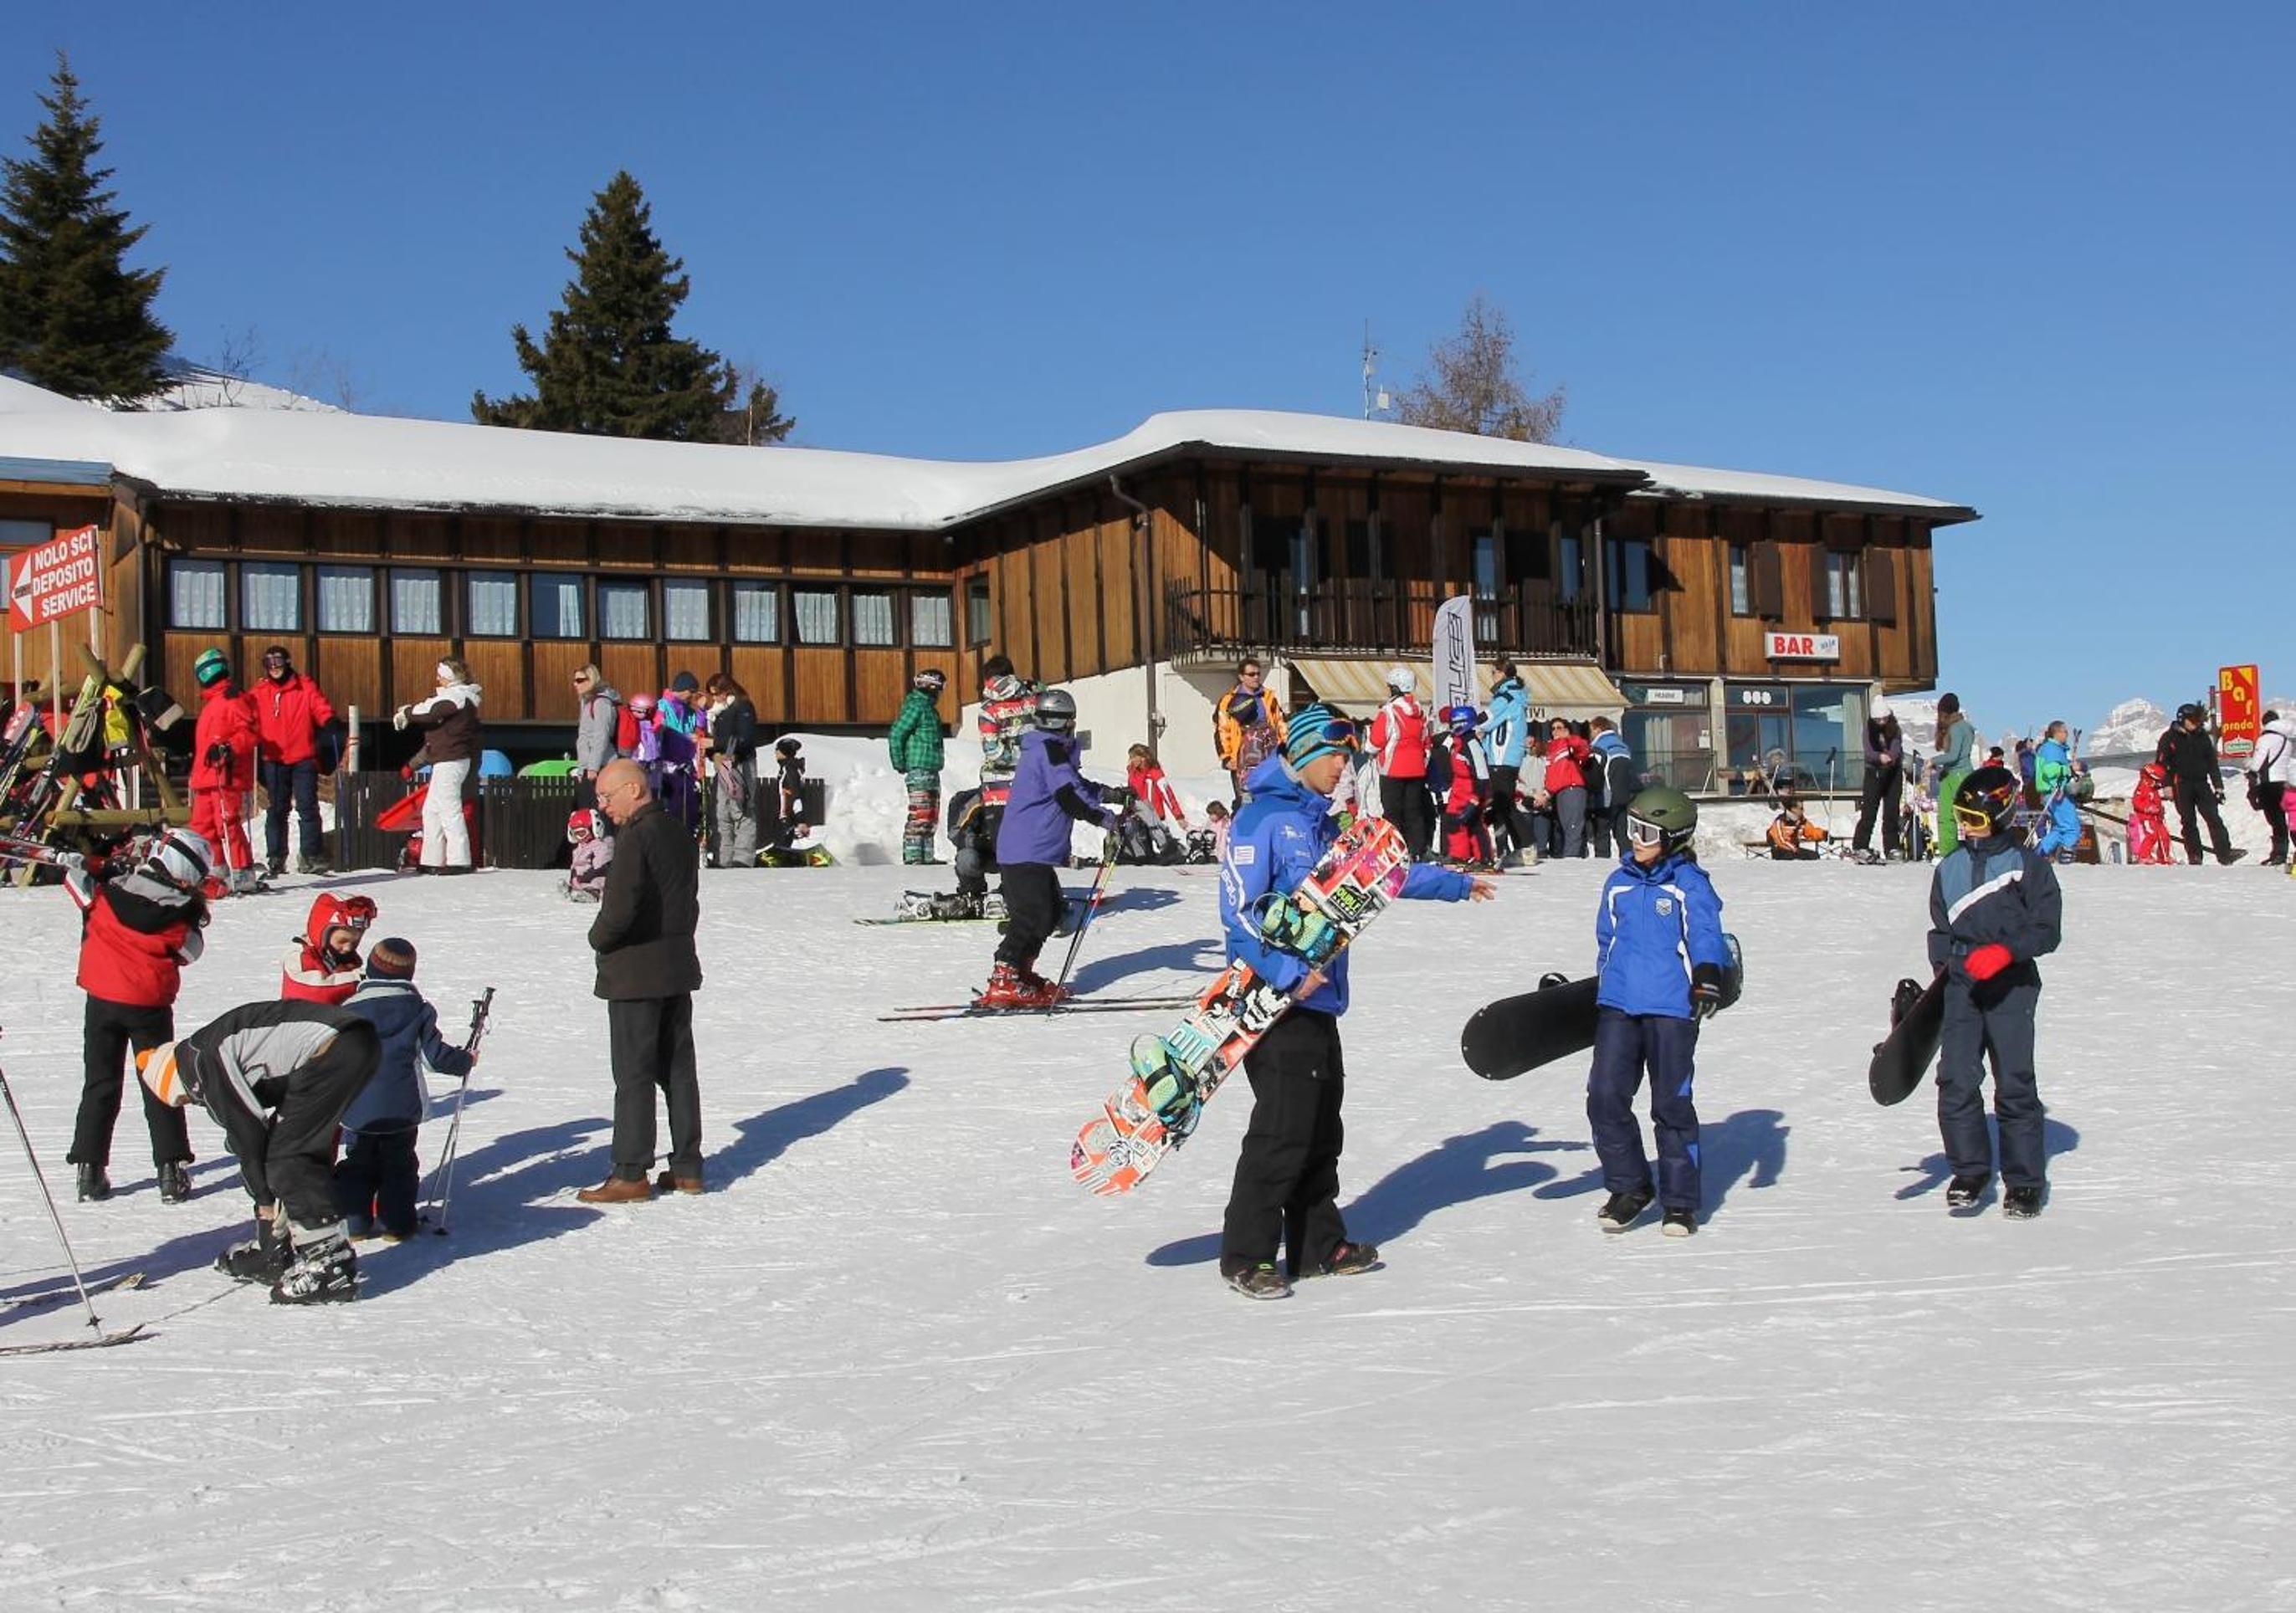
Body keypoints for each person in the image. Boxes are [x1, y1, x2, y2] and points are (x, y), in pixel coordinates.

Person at [1217, 704, 1495, 1298]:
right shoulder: (1261, 820)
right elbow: (1239, 918)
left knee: (1322, 1129)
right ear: (1306, 754)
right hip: (1275, 1005)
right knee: (1282, 1131)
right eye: (1335, 757)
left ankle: (1318, 1245)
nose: (1342, 768)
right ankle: (1247, 1255)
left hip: (1320, 1003)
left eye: (1346, 758)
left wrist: (1455, 884)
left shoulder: (1322, 823)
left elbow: (1380, 874)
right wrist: (1288, 973)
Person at [136, 998, 383, 1304]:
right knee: (291, 1149)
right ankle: (275, 1253)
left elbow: (247, 1133)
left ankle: (330, 1266)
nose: (196, 1103)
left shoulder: (202, 1061)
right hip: (350, 1042)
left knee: (288, 1157)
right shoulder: (205, 1048)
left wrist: (265, 1200)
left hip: (336, 1047)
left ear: (177, 1083)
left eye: (185, 1100)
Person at [1587, 786, 1733, 1237]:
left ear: (1674, 837)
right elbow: (1607, 941)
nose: (1636, 840)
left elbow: (1705, 933)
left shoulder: (1689, 885)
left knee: (1671, 1104)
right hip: (1619, 1006)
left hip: (1672, 1009)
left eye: (1646, 833)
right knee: (1604, 1098)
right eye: (1632, 828)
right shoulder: (1619, 883)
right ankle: (1630, 1187)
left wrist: (1707, 975)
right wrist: (1598, 988)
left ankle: (1680, 1201)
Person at [1925, 766, 2063, 1219]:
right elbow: (1941, 930)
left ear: (2001, 816)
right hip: (1962, 985)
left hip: (2011, 984)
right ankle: (1970, 1171)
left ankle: (2024, 1181)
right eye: (1961, 818)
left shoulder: (2027, 867)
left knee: (2015, 1082)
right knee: (1956, 1079)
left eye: (1975, 819)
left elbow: (2047, 930)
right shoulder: (1949, 868)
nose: (1967, 827)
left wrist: (2007, 951)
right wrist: (1938, 981)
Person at [61, 827, 212, 1205]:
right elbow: (191, 953)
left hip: (102, 1000)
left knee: (100, 1083)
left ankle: (89, 1171)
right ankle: (171, 1172)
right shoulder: (181, 912)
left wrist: (90, 861)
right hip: (148, 1006)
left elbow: (76, 884)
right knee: (160, 1083)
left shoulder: (110, 890)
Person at [578, 759, 705, 1202]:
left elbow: (620, 908)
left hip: (635, 973)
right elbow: (688, 900)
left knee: (633, 1074)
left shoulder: (635, 836)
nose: (603, 806)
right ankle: (688, 1167)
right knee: (678, 1071)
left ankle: (630, 1172)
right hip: (676, 965)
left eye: (606, 796)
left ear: (634, 790)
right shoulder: (678, 832)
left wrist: (597, 938)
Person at [978, 689, 1120, 1008]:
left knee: (1050, 912)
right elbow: (1068, 797)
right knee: (1031, 915)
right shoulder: (1049, 751)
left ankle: (1021, 973)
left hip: (1032, 850)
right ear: (1066, 722)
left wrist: (1112, 795)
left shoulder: (1049, 749)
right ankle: (1004, 979)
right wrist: (1107, 820)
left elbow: (1076, 786)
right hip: (1026, 848)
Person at [335, 938, 476, 1242]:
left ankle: (355, 1224)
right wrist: (465, 1060)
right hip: (402, 1106)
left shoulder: (347, 1010)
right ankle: (397, 1224)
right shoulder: (417, 1010)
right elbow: (434, 1058)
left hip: (357, 1106)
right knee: (399, 1165)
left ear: (371, 969)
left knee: (357, 1163)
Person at [251, 645, 337, 877]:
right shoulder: (261, 691)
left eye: (278, 662)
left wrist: (328, 720)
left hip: (303, 757)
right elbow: (247, 713)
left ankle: (311, 855)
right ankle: (276, 857)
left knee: (307, 806)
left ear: (287, 662)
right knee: (277, 809)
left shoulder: (304, 686)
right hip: (274, 758)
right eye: (269, 663)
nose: (274, 667)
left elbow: (319, 705)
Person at [395, 659, 483, 873]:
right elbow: (430, 708)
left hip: (451, 761)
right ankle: (431, 859)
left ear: (449, 677)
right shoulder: (455, 697)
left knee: (449, 809)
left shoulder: (456, 697)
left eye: (440, 675)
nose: (437, 679)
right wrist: (409, 712)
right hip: (445, 760)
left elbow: (430, 712)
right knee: (432, 810)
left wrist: (407, 713)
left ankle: (459, 860)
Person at [187, 647, 260, 892]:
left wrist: (228, 747)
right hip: (207, 776)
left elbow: (250, 732)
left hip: (224, 775)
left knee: (226, 823)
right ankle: (216, 867)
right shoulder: (213, 703)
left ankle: (242, 871)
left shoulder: (233, 699)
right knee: (202, 826)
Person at [2156, 703, 2238, 865]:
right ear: (2182, 719)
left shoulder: (2202, 737)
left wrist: (2218, 787)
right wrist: (2166, 785)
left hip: (2201, 784)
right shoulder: (2169, 737)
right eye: (2192, 720)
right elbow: (2161, 764)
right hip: (2180, 784)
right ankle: (2195, 856)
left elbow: (2212, 763)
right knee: (2188, 821)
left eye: (2197, 720)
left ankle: (2225, 854)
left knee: (2213, 817)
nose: (2196, 723)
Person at [1369, 668, 1433, 860]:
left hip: (1392, 769)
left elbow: (1375, 742)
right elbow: (1426, 740)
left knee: (1392, 813)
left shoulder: (1388, 712)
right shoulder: (1420, 713)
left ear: (1394, 688)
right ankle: (1418, 851)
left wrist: (1369, 747)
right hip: (1417, 769)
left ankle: (1394, 852)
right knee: (1414, 812)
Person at [888, 668, 948, 865]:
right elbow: (897, 733)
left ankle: (927, 856)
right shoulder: (917, 706)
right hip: (919, 768)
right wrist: (899, 762)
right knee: (920, 814)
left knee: (931, 815)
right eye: (940, 689)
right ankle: (914, 857)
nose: (940, 694)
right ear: (931, 687)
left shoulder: (929, 709)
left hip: (931, 768)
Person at [701, 673, 759, 868]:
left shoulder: (743, 707)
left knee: (742, 809)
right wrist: (711, 750)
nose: (714, 698)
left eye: (716, 693)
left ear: (727, 691)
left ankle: (742, 858)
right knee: (722, 811)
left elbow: (746, 739)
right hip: (723, 764)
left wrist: (714, 743)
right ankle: (723, 857)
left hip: (741, 763)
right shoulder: (717, 713)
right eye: (712, 694)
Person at [279, 892, 377, 1004]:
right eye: (342, 941)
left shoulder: (341, 957)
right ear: (323, 933)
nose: (348, 948)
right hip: (301, 1013)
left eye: (355, 942)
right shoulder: (299, 956)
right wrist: (360, 979)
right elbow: (312, 991)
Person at [1214, 658, 1287, 806]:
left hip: (1269, 754)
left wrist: (1285, 746)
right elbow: (1222, 729)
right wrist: (1226, 757)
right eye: (1251, 674)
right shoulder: (1228, 700)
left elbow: (1280, 722)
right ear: (1241, 677)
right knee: (1246, 800)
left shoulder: (1268, 697)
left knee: (1270, 797)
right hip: (1242, 756)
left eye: (1258, 674)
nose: (1256, 677)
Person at [1484, 661, 1533, 863]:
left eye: (1493, 672)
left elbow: (1487, 719)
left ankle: (1527, 847)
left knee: (1506, 805)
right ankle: (1508, 848)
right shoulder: (1515, 694)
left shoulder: (1506, 696)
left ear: (1503, 673)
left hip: (1501, 757)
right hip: (1509, 757)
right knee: (1500, 805)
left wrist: (1464, 722)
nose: (1492, 676)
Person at [1853, 700, 1905, 861]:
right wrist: (1879, 757)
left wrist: (1890, 757)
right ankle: (1860, 846)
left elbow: (1896, 747)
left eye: (1884, 719)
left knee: (1891, 811)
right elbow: (1868, 752)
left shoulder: (1895, 729)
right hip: (1874, 772)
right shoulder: (1868, 730)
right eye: (1878, 719)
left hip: (1893, 772)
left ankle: (1892, 847)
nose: (1882, 722)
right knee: (1869, 811)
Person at [1929, 694, 1977, 857]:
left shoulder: (1956, 728)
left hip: (1957, 775)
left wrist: (1933, 761)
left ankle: (1949, 853)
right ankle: (1964, 851)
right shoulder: (1964, 727)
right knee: (1961, 816)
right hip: (1957, 774)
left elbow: (1954, 755)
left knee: (1950, 817)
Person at [571, 663, 623, 814]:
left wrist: (593, 767)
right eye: (575, 680)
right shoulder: (587, 701)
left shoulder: (601, 703)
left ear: (591, 680)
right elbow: (584, 737)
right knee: (587, 810)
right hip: (589, 766)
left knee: (598, 811)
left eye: (580, 680)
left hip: (601, 765)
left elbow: (601, 736)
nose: (575, 684)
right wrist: (582, 767)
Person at [2031, 721, 2085, 860]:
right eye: (2065, 731)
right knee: (2071, 827)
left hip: (2052, 793)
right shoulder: (2052, 749)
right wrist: (2068, 769)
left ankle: (2038, 855)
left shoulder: (2052, 748)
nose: (2067, 734)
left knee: (2060, 829)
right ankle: (2066, 856)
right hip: (2056, 793)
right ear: (2057, 733)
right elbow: (2049, 771)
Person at [1542, 717, 1593, 858]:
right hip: (1558, 792)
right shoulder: (1551, 748)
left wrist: (1570, 738)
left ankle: (1572, 860)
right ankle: (1571, 857)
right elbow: (1552, 775)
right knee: (1566, 828)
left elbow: (1583, 750)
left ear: (1567, 729)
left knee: (1573, 828)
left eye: (1559, 727)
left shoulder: (1570, 743)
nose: (1556, 731)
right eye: (1553, 728)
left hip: (1572, 788)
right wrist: (1547, 792)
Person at [2248, 709, 2293, 867]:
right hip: (2284, 783)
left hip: (2269, 783)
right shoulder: (2287, 740)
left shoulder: (2266, 739)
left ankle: (2279, 853)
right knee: (2284, 818)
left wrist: (2252, 773)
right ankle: (2281, 852)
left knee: (2275, 819)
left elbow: (2258, 760)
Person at [1587, 716, 1637, 858]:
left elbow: (1595, 775)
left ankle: (1602, 863)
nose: (1590, 734)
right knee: (1622, 833)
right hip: (1624, 796)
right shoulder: (1623, 746)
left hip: (1605, 797)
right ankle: (1628, 861)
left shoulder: (1598, 747)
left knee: (1602, 833)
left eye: (1591, 730)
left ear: (1598, 729)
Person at [2128, 762, 2176, 865]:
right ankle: (2144, 856)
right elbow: (2136, 801)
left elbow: (2156, 801)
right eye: (2157, 781)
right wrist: (2147, 808)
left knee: (2164, 836)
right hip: (2147, 818)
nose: (2158, 783)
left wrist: (2160, 809)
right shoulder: (2143, 786)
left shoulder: (2153, 788)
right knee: (2152, 835)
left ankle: (2164, 855)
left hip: (2157, 818)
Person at [566, 807, 613, 899]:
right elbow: (575, 865)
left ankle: (593, 894)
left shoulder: (600, 846)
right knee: (577, 881)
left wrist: (587, 874)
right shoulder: (580, 847)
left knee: (596, 881)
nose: (579, 837)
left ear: (593, 829)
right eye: (575, 834)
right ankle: (574, 888)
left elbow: (600, 866)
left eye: (582, 833)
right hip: (581, 879)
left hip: (595, 878)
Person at [1766, 796, 1827, 860]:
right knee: (1790, 856)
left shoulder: (1802, 821)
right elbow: (1780, 841)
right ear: (1793, 809)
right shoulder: (1780, 821)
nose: (1803, 810)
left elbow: (1811, 831)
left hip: (1794, 850)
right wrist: (1796, 850)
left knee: (1814, 856)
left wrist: (1824, 834)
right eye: (1801, 808)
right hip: (1780, 851)